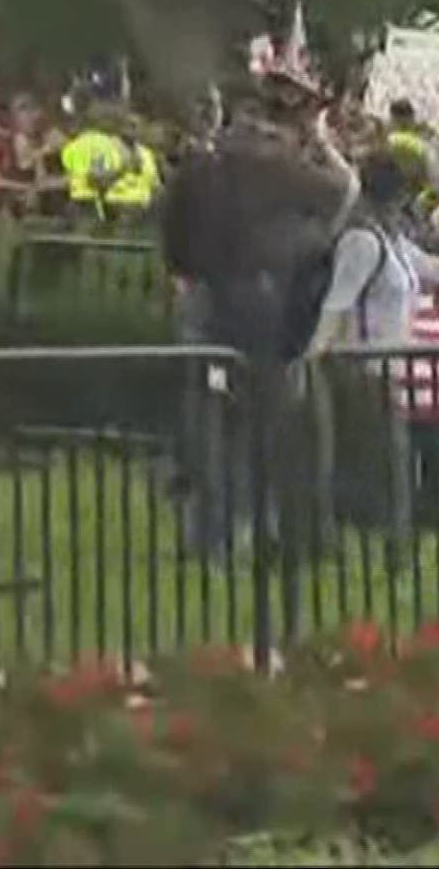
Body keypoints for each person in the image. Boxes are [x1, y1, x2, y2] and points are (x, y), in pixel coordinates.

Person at [158, 70, 358, 557]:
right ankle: (281, 534)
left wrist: (185, 275)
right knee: (277, 427)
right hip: (273, 308)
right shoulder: (287, 168)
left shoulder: (202, 164)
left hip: (207, 301)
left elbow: (172, 225)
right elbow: (347, 192)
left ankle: (211, 536)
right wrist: (323, 139)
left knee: (211, 424)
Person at [306, 148, 439, 548]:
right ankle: (380, 546)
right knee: (379, 466)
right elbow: (337, 305)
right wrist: (316, 359)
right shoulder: (361, 242)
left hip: (390, 372)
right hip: (362, 371)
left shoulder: (393, 242)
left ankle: (390, 545)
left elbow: (433, 269)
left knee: (392, 466)